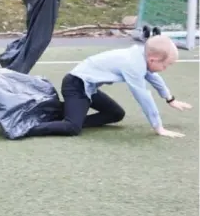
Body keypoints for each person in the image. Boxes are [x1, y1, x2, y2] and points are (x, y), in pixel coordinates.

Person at [26, 35, 192, 138]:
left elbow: (153, 77)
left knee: (116, 113)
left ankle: (66, 114)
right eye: (166, 65)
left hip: (88, 87)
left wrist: (170, 98)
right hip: (76, 85)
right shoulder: (133, 64)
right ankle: (28, 127)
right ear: (153, 59)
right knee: (72, 128)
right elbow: (143, 96)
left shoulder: (141, 56)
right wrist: (158, 127)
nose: (165, 69)